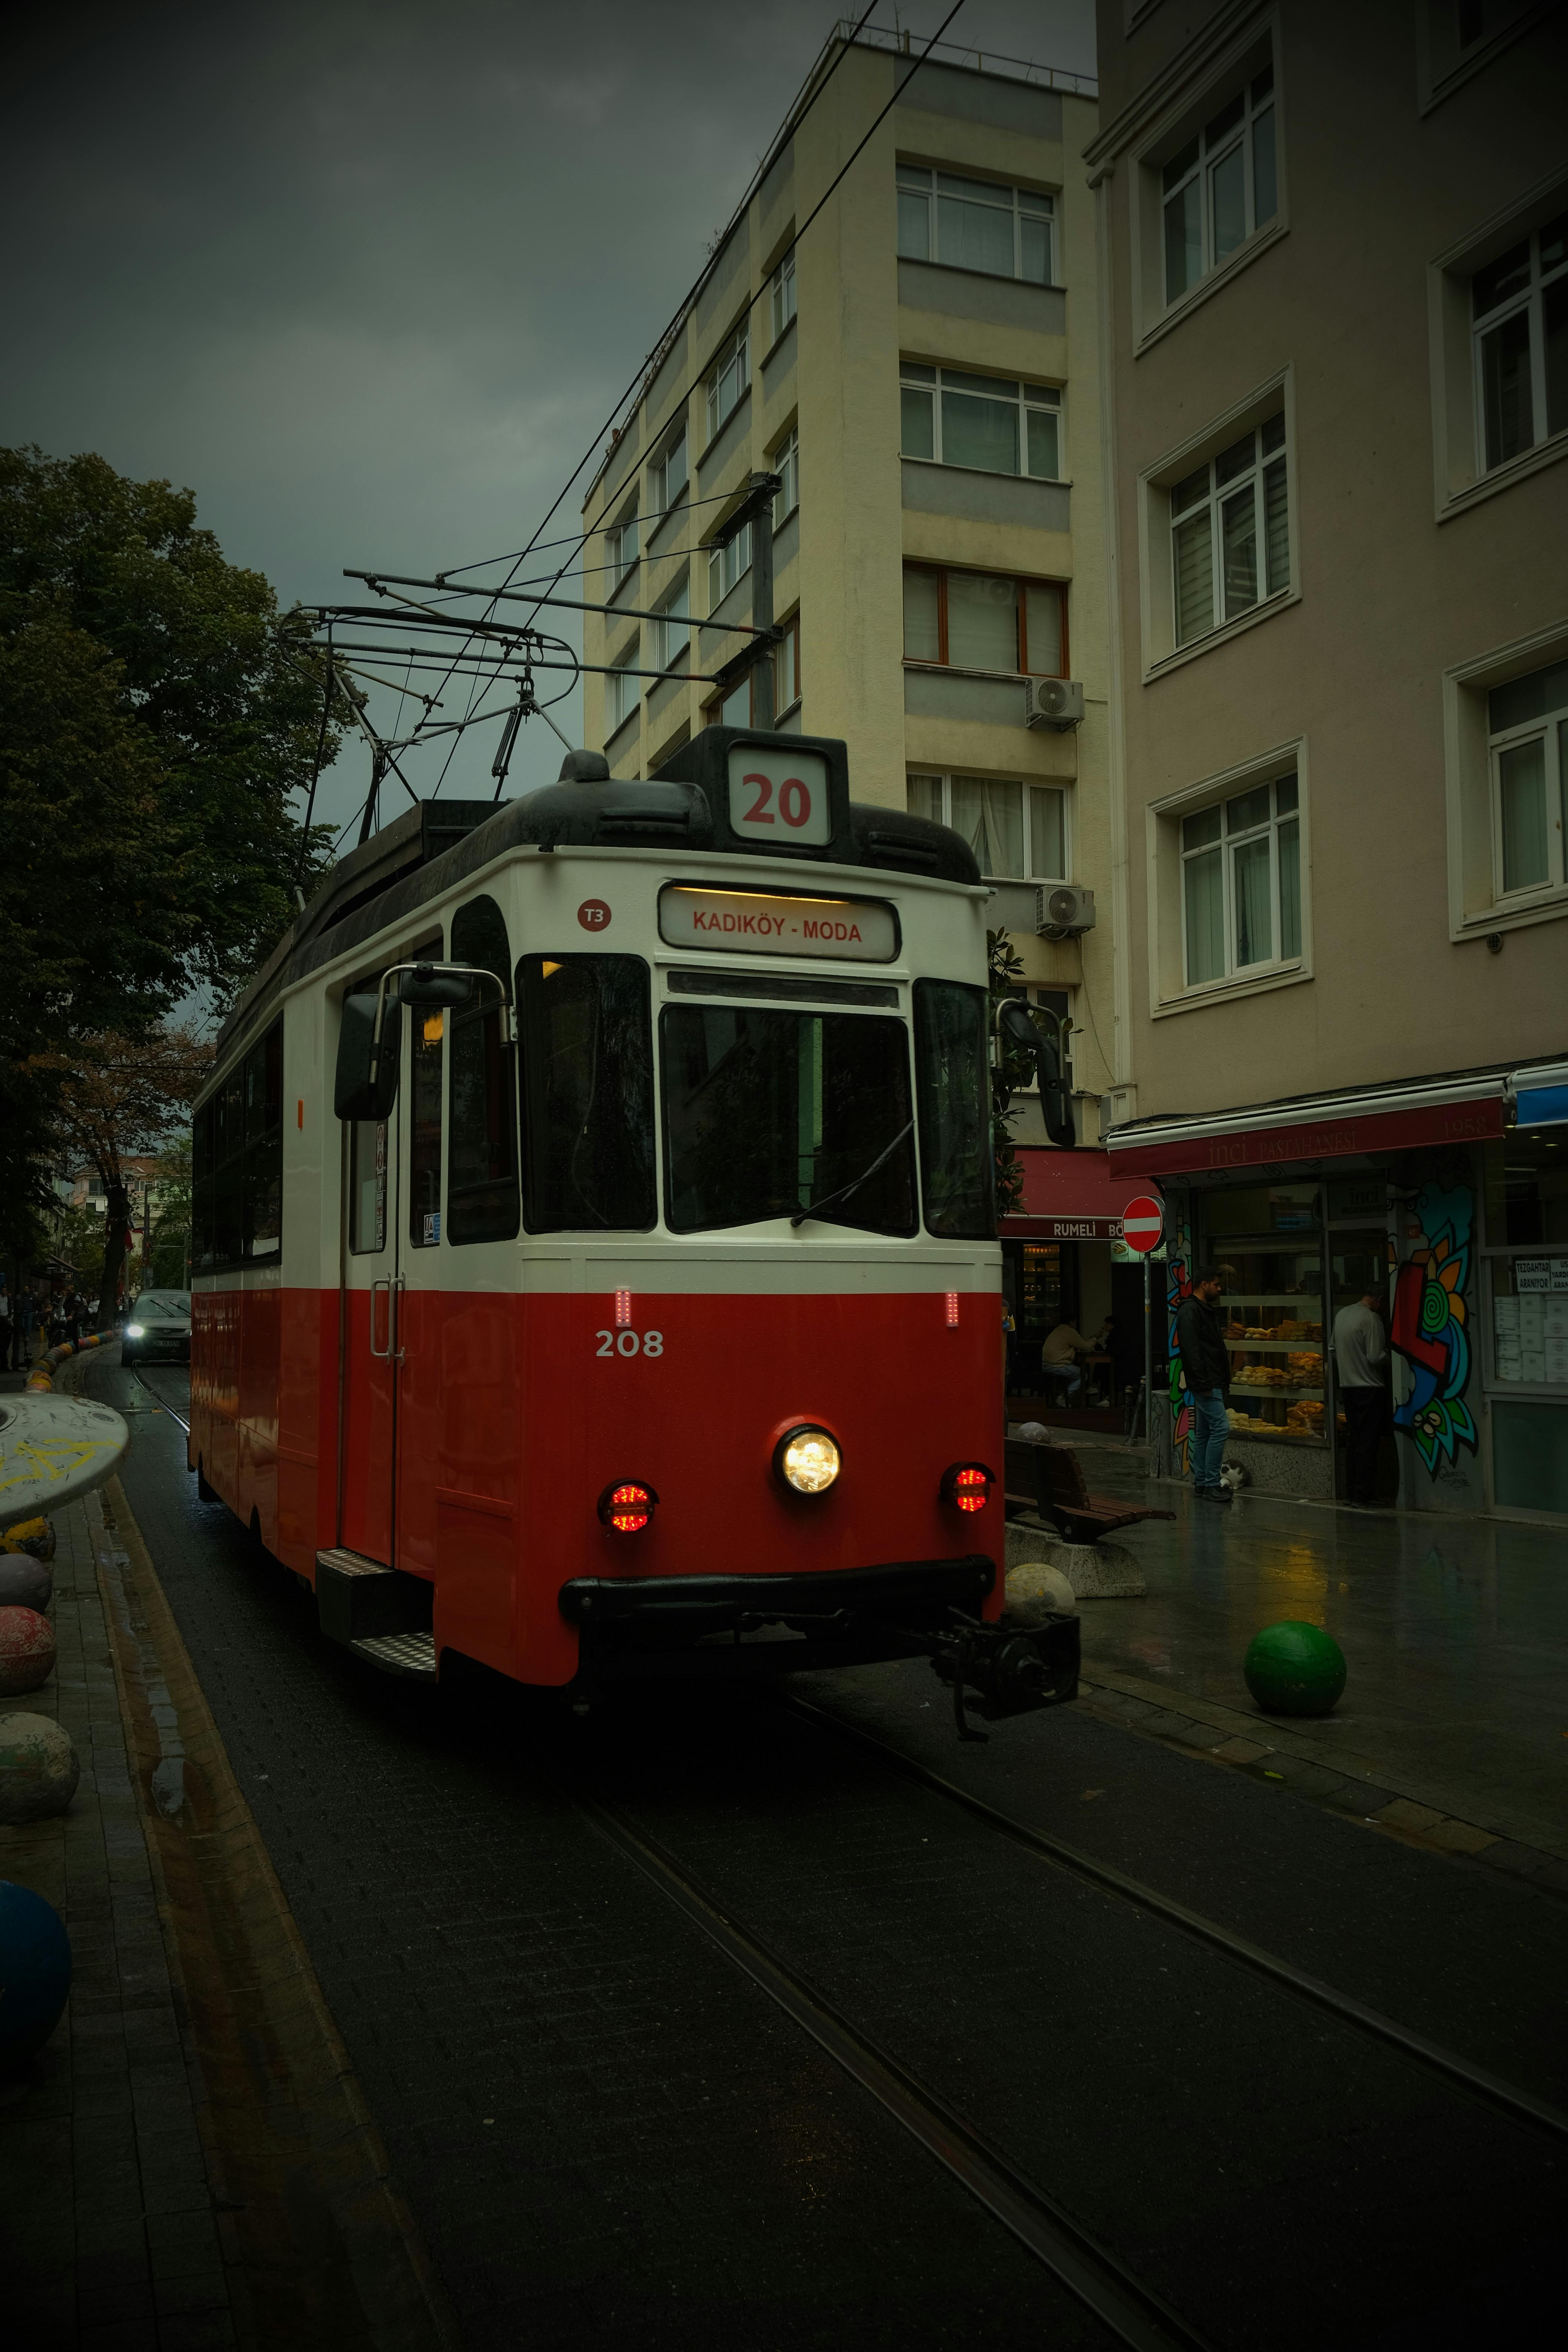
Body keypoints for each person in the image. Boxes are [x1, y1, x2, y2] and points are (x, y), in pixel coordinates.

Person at [1176, 1266, 1232, 1503]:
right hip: (1207, 1382)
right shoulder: (1191, 1311)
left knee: (1205, 1432)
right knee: (1221, 1428)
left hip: (1210, 1380)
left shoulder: (1201, 1310)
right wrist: (1202, 1382)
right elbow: (1192, 1350)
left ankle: (1202, 1483)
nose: (1220, 1289)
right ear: (1204, 1285)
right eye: (1216, 1285)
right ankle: (1210, 1483)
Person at [1333, 1285, 1388, 1507]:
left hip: (1348, 1386)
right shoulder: (1372, 1319)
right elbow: (1376, 1357)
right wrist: (1393, 1358)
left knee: (1354, 1440)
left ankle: (1351, 1492)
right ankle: (1363, 1495)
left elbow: (1332, 1347)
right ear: (1379, 1299)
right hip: (1370, 1387)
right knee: (1369, 1442)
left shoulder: (1342, 1314)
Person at [1041, 1316, 1094, 1403]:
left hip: (1045, 1365)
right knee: (1083, 1375)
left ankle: (1061, 1397)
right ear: (1071, 1323)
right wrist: (1095, 1339)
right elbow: (1086, 1347)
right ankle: (1064, 1398)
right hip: (1057, 1366)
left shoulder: (1056, 1331)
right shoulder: (1070, 1332)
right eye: (1075, 1323)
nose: (1076, 1326)